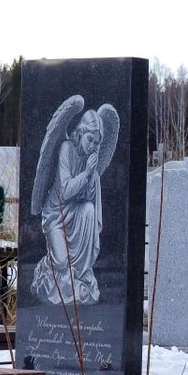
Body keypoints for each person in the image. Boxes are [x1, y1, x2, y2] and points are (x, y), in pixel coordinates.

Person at [31, 97, 118, 305]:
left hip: (76, 212)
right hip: (56, 214)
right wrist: (87, 172)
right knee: (61, 262)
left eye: (97, 143)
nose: (94, 147)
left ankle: (79, 274)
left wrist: (92, 176)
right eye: (90, 140)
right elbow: (66, 190)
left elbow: (88, 198)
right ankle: (47, 272)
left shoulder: (92, 160)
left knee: (89, 209)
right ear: (80, 133)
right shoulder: (66, 149)